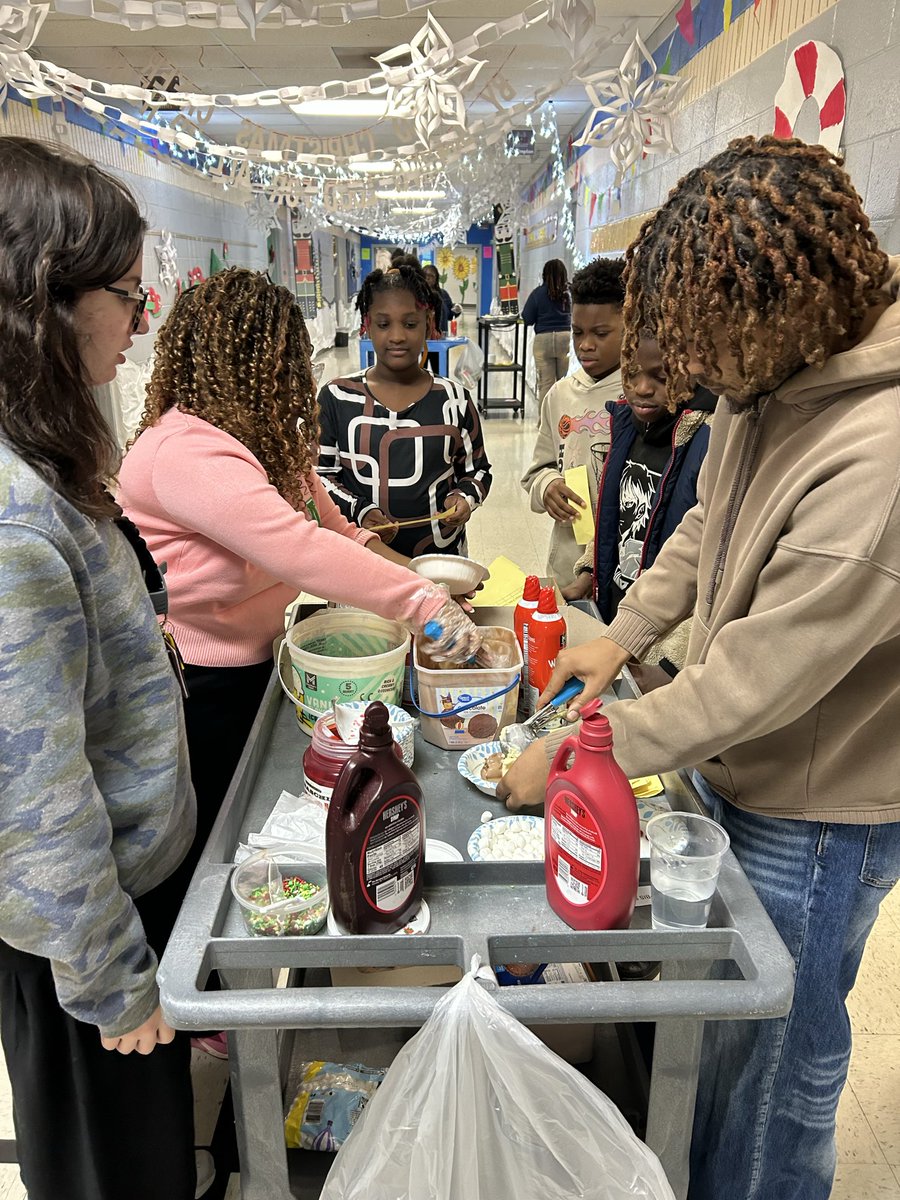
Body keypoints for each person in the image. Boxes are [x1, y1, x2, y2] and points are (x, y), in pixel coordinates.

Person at [499, 135, 900, 1200]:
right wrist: (620, 641)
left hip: (821, 812)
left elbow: (753, 683)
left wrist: (585, 742)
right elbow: (703, 526)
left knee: (775, 1069)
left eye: (715, 352)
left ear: (775, 315)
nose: (703, 381)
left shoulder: (878, 453)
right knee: (721, 1040)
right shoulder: (775, 385)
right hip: (745, 768)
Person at [119, 268, 479, 880]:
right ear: (248, 360)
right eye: (286, 359)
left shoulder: (254, 440)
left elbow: (340, 532)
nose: (295, 375)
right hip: (196, 686)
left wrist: (434, 591)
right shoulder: (183, 451)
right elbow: (299, 548)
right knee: (206, 851)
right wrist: (420, 604)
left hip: (255, 666)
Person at [0, 137, 200, 1199]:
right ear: (46, 301)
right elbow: (34, 792)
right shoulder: (15, 520)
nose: (141, 317)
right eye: (127, 293)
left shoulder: (45, 459)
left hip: (121, 908)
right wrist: (114, 982)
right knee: (115, 1174)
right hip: (86, 942)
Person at [317, 262, 492, 558]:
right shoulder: (337, 397)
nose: (397, 336)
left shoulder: (455, 399)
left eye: (410, 324)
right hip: (360, 562)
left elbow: (478, 470)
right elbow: (321, 476)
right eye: (384, 324)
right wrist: (359, 510)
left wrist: (464, 497)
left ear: (428, 321)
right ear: (368, 324)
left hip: (439, 561)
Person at [564, 335, 715, 676]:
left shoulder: (709, 442)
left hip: (668, 649)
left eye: (661, 377)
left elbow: (707, 570)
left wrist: (670, 666)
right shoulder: (626, 427)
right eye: (631, 374)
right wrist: (589, 573)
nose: (642, 388)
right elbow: (616, 517)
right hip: (618, 617)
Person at [521, 257, 625, 589]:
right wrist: (548, 485)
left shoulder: (642, 398)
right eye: (577, 332)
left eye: (601, 333)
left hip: (627, 566)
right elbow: (538, 469)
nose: (585, 344)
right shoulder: (559, 396)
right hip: (567, 561)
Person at [521, 258, 572, 404]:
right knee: (563, 384)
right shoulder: (569, 293)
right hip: (564, 338)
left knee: (546, 385)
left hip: (543, 340)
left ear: (544, 274)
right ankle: (562, 422)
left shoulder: (537, 293)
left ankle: (544, 423)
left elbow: (527, 319)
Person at [423, 262, 460, 336]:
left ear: (436, 279)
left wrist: (457, 309)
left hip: (441, 336)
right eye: (425, 275)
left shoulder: (443, 295)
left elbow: (450, 314)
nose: (428, 278)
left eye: (431, 276)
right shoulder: (416, 294)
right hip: (422, 338)